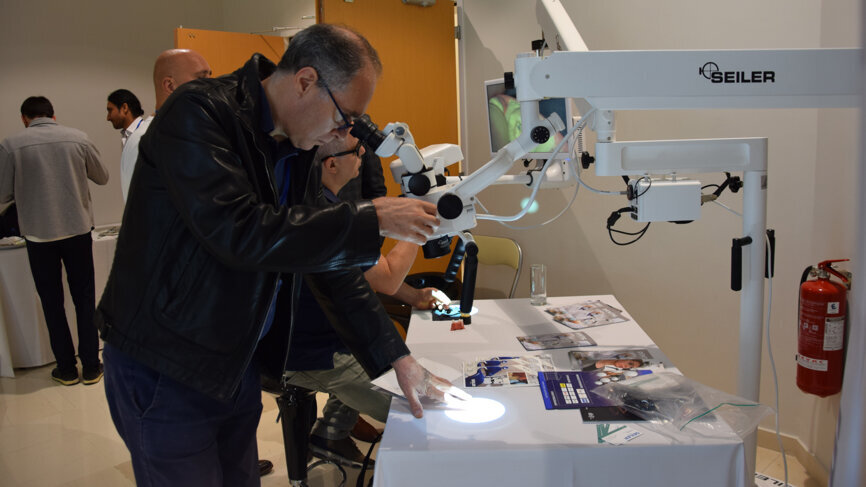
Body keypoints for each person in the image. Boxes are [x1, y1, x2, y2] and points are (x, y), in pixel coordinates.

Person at [97, 23, 455, 486]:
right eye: (345, 117)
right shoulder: (199, 113)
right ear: (306, 81)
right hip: (168, 362)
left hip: (234, 361)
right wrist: (372, 217)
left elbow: (324, 261)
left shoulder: (294, 144)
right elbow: (239, 231)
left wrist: (395, 357)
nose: (343, 133)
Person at [278, 135, 439, 468]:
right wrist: (421, 218)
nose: (364, 152)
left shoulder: (317, 203)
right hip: (316, 355)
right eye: (355, 149)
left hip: (323, 340)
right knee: (429, 411)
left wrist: (414, 297)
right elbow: (388, 275)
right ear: (331, 163)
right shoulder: (326, 214)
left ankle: (331, 433)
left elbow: (366, 275)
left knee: (388, 347)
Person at [0, 96, 109, 385]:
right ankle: (91, 365)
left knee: (52, 301)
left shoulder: (11, 145)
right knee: (85, 299)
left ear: (25, 118)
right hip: (78, 230)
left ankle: (66, 368)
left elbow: (2, 194)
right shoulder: (78, 138)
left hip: (39, 234)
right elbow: (102, 176)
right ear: (53, 115)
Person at [119, 49, 212, 202]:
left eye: (210, 76)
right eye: (201, 78)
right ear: (170, 85)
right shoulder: (146, 141)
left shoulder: (189, 134)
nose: (211, 86)